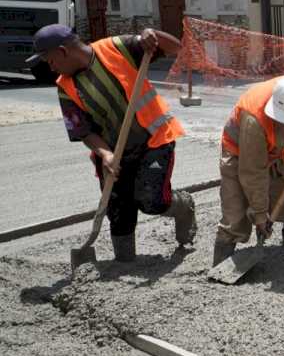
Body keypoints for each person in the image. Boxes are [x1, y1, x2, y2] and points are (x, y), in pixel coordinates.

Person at [28, 24, 196, 262]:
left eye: (49, 59)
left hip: (153, 141)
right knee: (118, 211)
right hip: (112, 152)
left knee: (151, 201)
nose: (50, 66)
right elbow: (83, 130)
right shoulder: (65, 87)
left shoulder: (117, 48)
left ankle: (183, 206)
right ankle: (124, 263)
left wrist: (152, 35)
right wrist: (105, 154)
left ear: (64, 51)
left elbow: (175, 47)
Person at [214, 76, 284, 266]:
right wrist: (261, 215)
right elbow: (253, 172)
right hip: (239, 152)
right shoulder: (254, 119)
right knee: (235, 213)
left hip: (276, 151)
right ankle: (221, 264)